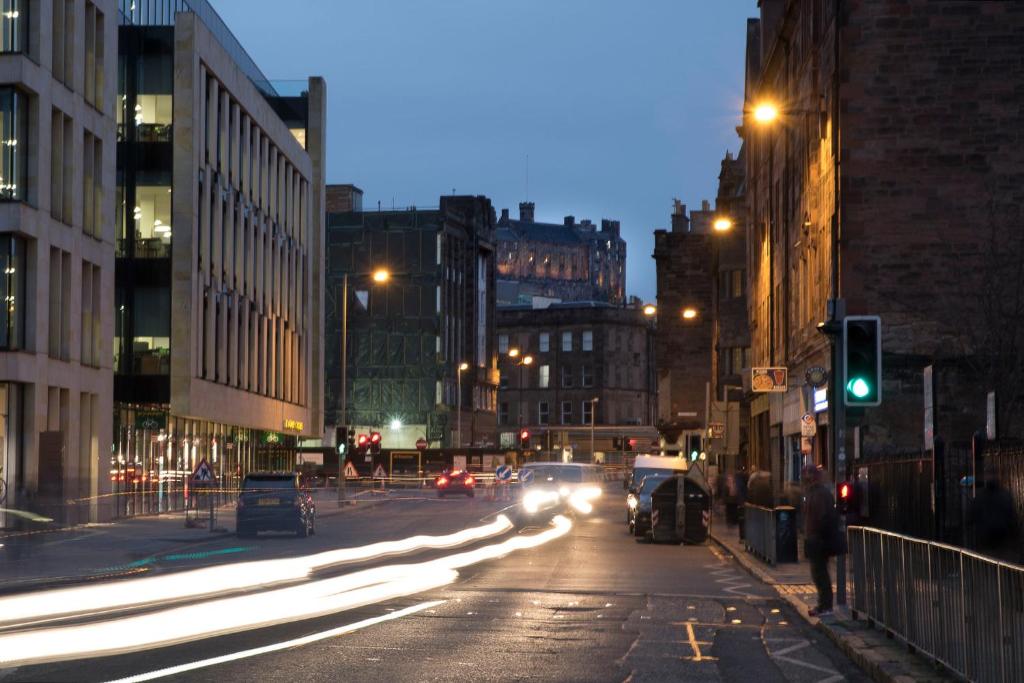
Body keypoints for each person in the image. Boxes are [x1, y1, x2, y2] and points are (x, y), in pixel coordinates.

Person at [802, 464, 839, 617]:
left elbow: (824, 517)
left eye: (809, 474)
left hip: (819, 539)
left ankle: (826, 606)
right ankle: (822, 604)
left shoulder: (821, 493)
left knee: (821, 574)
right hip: (813, 538)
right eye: (805, 474)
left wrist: (819, 537)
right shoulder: (812, 492)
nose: (806, 477)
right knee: (817, 573)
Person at [968, 462, 1018, 562]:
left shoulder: (982, 496)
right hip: (992, 541)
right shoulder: (1003, 495)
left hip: (997, 541)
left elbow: (971, 518)